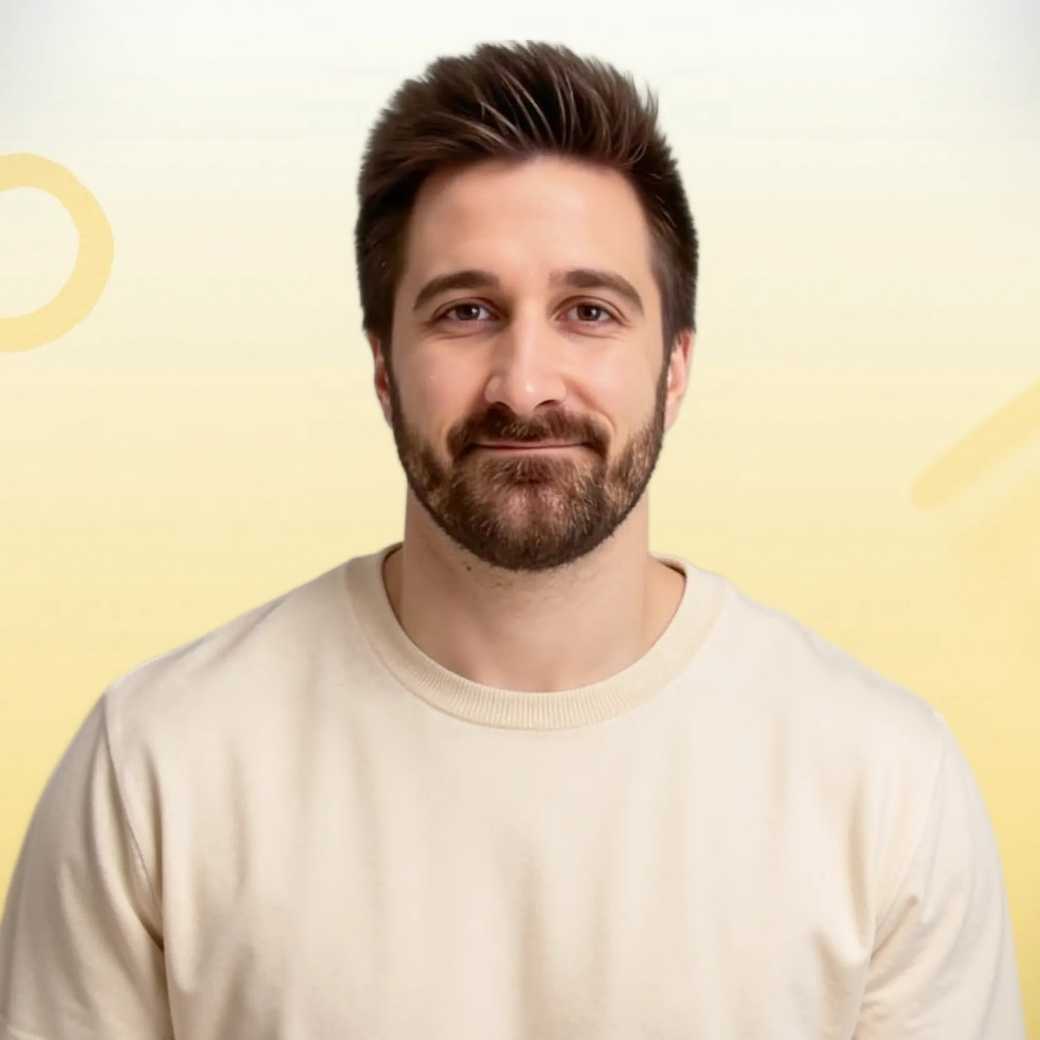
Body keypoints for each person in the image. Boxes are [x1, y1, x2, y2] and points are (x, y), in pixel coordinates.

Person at [0, 41, 1026, 1040]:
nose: (525, 382)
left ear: (673, 368)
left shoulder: (883, 782)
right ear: (381, 367)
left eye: (587, 310)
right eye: (465, 310)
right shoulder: (155, 764)